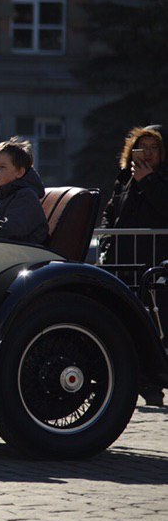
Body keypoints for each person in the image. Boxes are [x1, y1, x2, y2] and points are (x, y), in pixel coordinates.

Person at [97, 125, 168, 407]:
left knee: (156, 323)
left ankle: (155, 381)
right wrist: (106, 241)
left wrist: (148, 181)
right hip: (123, 260)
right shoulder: (126, 177)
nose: (147, 154)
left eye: (153, 148)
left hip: (154, 263)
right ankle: (134, 380)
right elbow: (110, 211)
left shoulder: (160, 178)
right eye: (142, 148)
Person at [0, 138, 47, 244]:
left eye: (2, 167)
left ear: (19, 172)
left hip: (24, 252)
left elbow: (10, 228)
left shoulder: (25, 196)